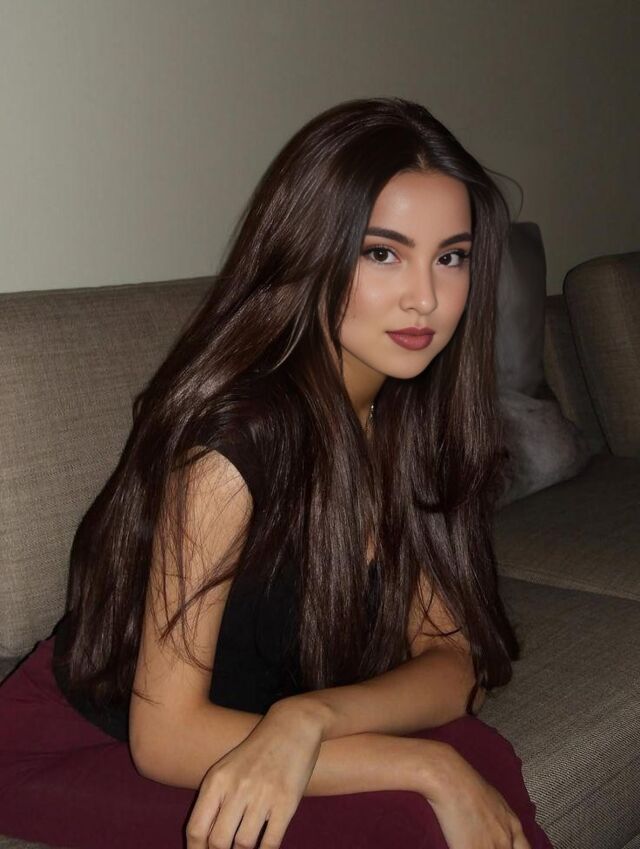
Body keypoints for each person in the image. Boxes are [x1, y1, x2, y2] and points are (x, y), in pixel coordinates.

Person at [0, 96, 555, 849]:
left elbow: (455, 659)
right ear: (312, 252)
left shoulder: (415, 420)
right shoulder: (233, 446)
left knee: (481, 758)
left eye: (450, 257)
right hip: (80, 743)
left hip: (259, 719)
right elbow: (165, 736)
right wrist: (424, 766)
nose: (425, 297)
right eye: (383, 253)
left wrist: (310, 719)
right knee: (417, 807)